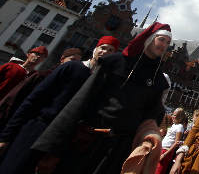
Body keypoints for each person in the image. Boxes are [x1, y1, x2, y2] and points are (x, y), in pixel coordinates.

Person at [31, 22, 172, 174]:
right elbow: (82, 100)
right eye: (161, 39)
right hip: (86, 140)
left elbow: (152, 117)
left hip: (117, 150)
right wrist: (51, 145)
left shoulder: (159, 81)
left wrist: (150, 138)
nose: (164, 45)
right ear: (150, 38)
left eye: (168, 42)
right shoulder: (115, 62)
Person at [0, 37, 118, 174]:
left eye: (111, 50)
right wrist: (6, 136)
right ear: (95, 49)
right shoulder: (72, 67)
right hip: (37, 130)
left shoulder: (103, 82)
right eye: (103, 48)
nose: (105, 52)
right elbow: (34, 99)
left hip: (60, 141)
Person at [155, 108, 186, 174]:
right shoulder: (174, 125)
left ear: (180, 117)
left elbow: (176, 143)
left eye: (174, 115)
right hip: (162, 149)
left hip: (166, 151)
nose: (172, 116)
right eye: (173, 114)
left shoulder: (180, 126)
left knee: (159, 171)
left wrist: (165, 154)